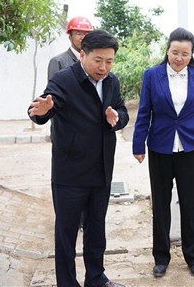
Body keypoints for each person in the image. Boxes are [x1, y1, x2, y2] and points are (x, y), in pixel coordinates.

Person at [28, 30, 129, 287]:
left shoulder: (112, 82)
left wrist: (117, 118)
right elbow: (42, 108)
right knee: (66, 235)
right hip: (70, 173)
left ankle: (96, 279)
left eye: (109, 61)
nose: (103, 67)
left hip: (101, 170)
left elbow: (121, 110)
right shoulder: (64, 79)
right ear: (82, 55)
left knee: (96, 230)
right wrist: (43, 111)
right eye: (98, 60)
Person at [132, 28, 194, 279]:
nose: (179, 58)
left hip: (191, 148)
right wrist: (138, 144)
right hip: (160, 147)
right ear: (167, 50)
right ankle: (161, 258)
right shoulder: (152, 75)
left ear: (191, 54)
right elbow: (144, 111)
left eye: (185, 54)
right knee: (160, 205)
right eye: (175, 52)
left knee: (192, 205)